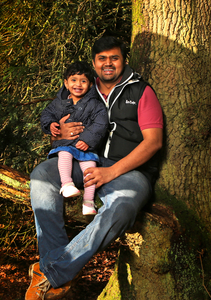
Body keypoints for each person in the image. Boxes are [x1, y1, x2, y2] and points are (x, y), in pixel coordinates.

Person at [26, 36, 163, 300]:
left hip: (129, 173)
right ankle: (56, 270)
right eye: (102, 59)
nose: (108, 64)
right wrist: (58, 132)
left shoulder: (141, 92)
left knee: (122, 209)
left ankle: (52, 272)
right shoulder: (82, 88)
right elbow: (56, 123)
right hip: (83, 161)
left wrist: (112, 172)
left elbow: (154, 143)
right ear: (94, 63)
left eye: (114, 58)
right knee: (42, 175)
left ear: (124, 60)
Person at [40, 61, 108, 215]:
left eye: (83, 81)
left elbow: (100, 123)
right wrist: (50, 124)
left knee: (90, 169)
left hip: (86, 146)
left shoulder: (95, 104)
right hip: (66, 144)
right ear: (66, 83)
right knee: (64, 154)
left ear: (90, 84)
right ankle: (67, 184)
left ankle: (89, 202)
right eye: (74, 80)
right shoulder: (59, 103)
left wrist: (88, 140)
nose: (78, 84)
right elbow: (46, 114)